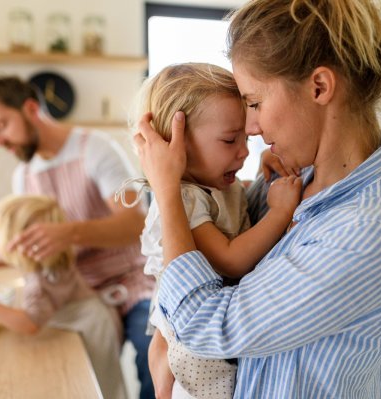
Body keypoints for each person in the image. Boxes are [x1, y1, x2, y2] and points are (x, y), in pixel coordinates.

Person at [133, 0, 381, 398]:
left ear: (319, 87)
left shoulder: (374, 227)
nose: (251, 128)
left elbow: (207, 326)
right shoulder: (293, 182)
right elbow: (219, 252)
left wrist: (166, 191)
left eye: (255, 103)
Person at [0, 76, 156, 399]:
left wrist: (69, 232)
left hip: (131, 282)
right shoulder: (23, 176)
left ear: (30, 109)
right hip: (72, 290)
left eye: (1, 126)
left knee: (153, 351)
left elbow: (136, 223)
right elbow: (25, 248)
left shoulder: (95, 149)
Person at [122, 63, 301, 398]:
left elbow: (233, 212)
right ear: (177, 147)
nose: (245, 151)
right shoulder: (185, 199)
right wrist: (279, 213)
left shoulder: (214, 184)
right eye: (230, 140)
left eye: (246, 138)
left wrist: (262, 179)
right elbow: (231, 259)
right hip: (189, 339)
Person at [0, 194, 128, 399]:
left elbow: (30, 323)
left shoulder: (43, 278)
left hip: (91, 328)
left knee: (102, 386)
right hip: (92, 319)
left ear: (22, 242)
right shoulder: (50, 257)